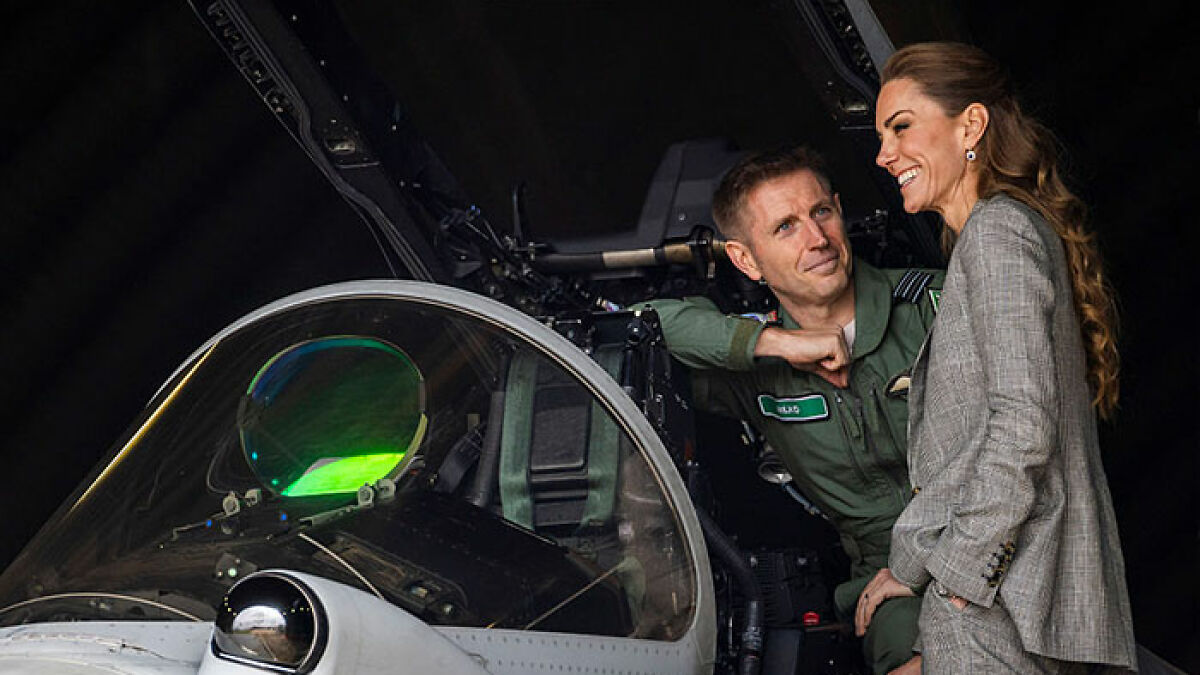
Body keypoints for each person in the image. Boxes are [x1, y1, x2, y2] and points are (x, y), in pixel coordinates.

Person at [857, 41, 1136, 672]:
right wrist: (911, 566)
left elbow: (1021, 427)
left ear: (971, 126)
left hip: (1005, 607)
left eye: (901, 128)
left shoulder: (996, 234)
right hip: (1012, 601)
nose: (883, 154)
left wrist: (956, 576)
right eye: (881, 136)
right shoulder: (995, 234)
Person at [643, 146, 942, 674]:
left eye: (820, 213)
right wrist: (776, 344)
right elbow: (644, 325)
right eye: (785, 227)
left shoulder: (934, 305)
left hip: (988, 534)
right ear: (745, 259)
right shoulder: (754, 373)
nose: (816, 239)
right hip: (886, 572)